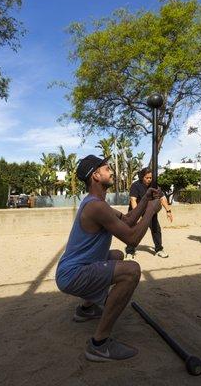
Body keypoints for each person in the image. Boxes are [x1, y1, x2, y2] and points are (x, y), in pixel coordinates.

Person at [55, 155, 162, 362]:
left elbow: (129, 220)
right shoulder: (96, 207)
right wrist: (150, 211)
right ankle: (99, 344)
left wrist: (146, 198)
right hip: (72, 274)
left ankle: (86, 309)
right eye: (107, 168)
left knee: (117, 255)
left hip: (70, 270)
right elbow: (132, 237)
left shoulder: (97, 203)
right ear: (96, 175)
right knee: (131, 271)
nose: (112, 171)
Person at [125, 167, 173, 258]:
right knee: (133, 230)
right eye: (147, 178)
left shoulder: (154, 186)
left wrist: (168, 210)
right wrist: (137, 214)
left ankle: (159, 249)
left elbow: (162, 198)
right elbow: (133, 200)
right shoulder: (136, 185)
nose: (149, 180)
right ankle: (130, 251)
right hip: (135, 209)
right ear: (142, 177)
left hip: (149, 209)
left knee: (156, 228)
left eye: (150, 178)